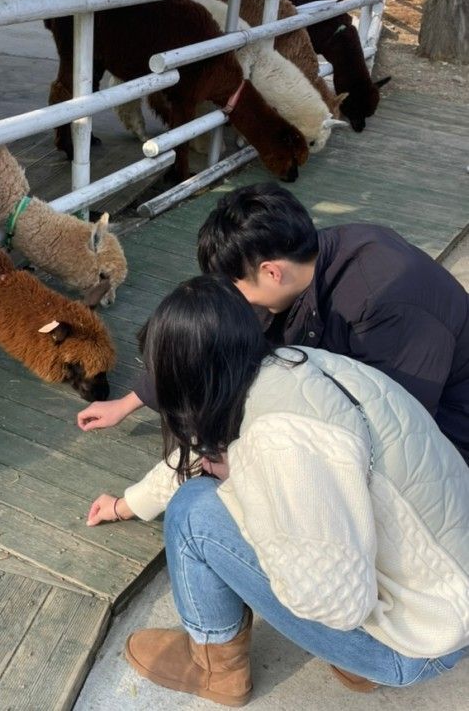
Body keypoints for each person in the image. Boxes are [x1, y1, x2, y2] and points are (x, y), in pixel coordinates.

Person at [90, 274, 469, 705]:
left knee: (193, 512)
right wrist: (126, 505)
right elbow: (203, 454)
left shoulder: (278, 445)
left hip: (421, 642)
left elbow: (336, 602)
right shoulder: (298, 363)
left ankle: (215, 668)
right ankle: (356, 662)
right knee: (209, 491)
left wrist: (248, 496)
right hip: (445, 592)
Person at [78, 183, 469, 462]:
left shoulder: (387, 299)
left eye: (236, 287)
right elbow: (210, 336)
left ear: (270, 272)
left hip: (446, 434)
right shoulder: (296, 260)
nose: (236, 302)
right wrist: (132, 400)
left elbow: (400, 429)